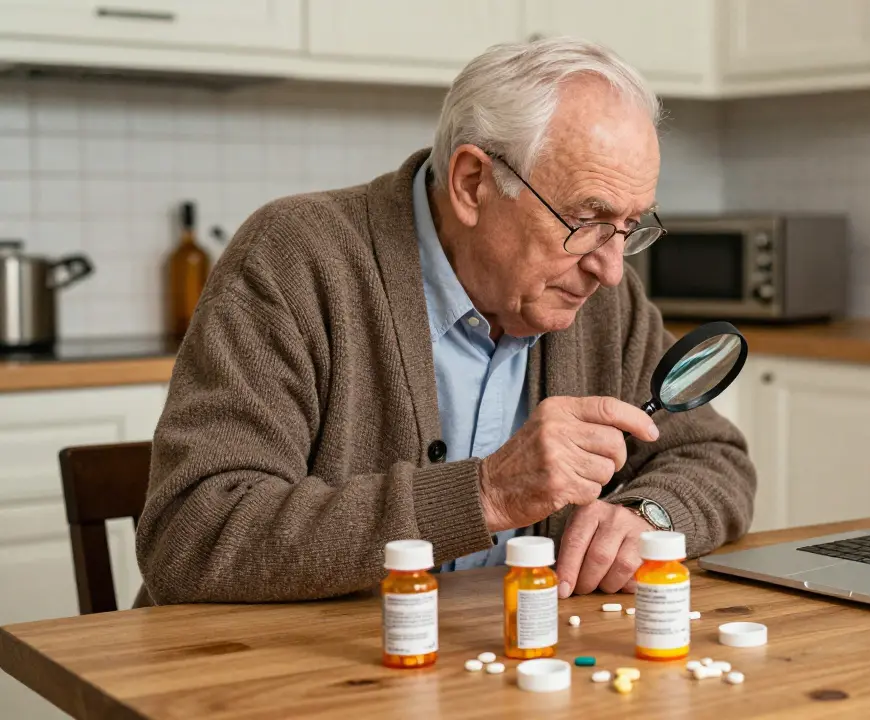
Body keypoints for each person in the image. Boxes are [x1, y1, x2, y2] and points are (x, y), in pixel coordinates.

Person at [135, 37, 756, 604]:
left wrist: (648, 514)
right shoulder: (297, 257)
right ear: (471, 182)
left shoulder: (594, 295)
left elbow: (715, 458)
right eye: (586, 218)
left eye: (630, 226)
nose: (612, 269)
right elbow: (193, 532)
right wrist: (485, 493)